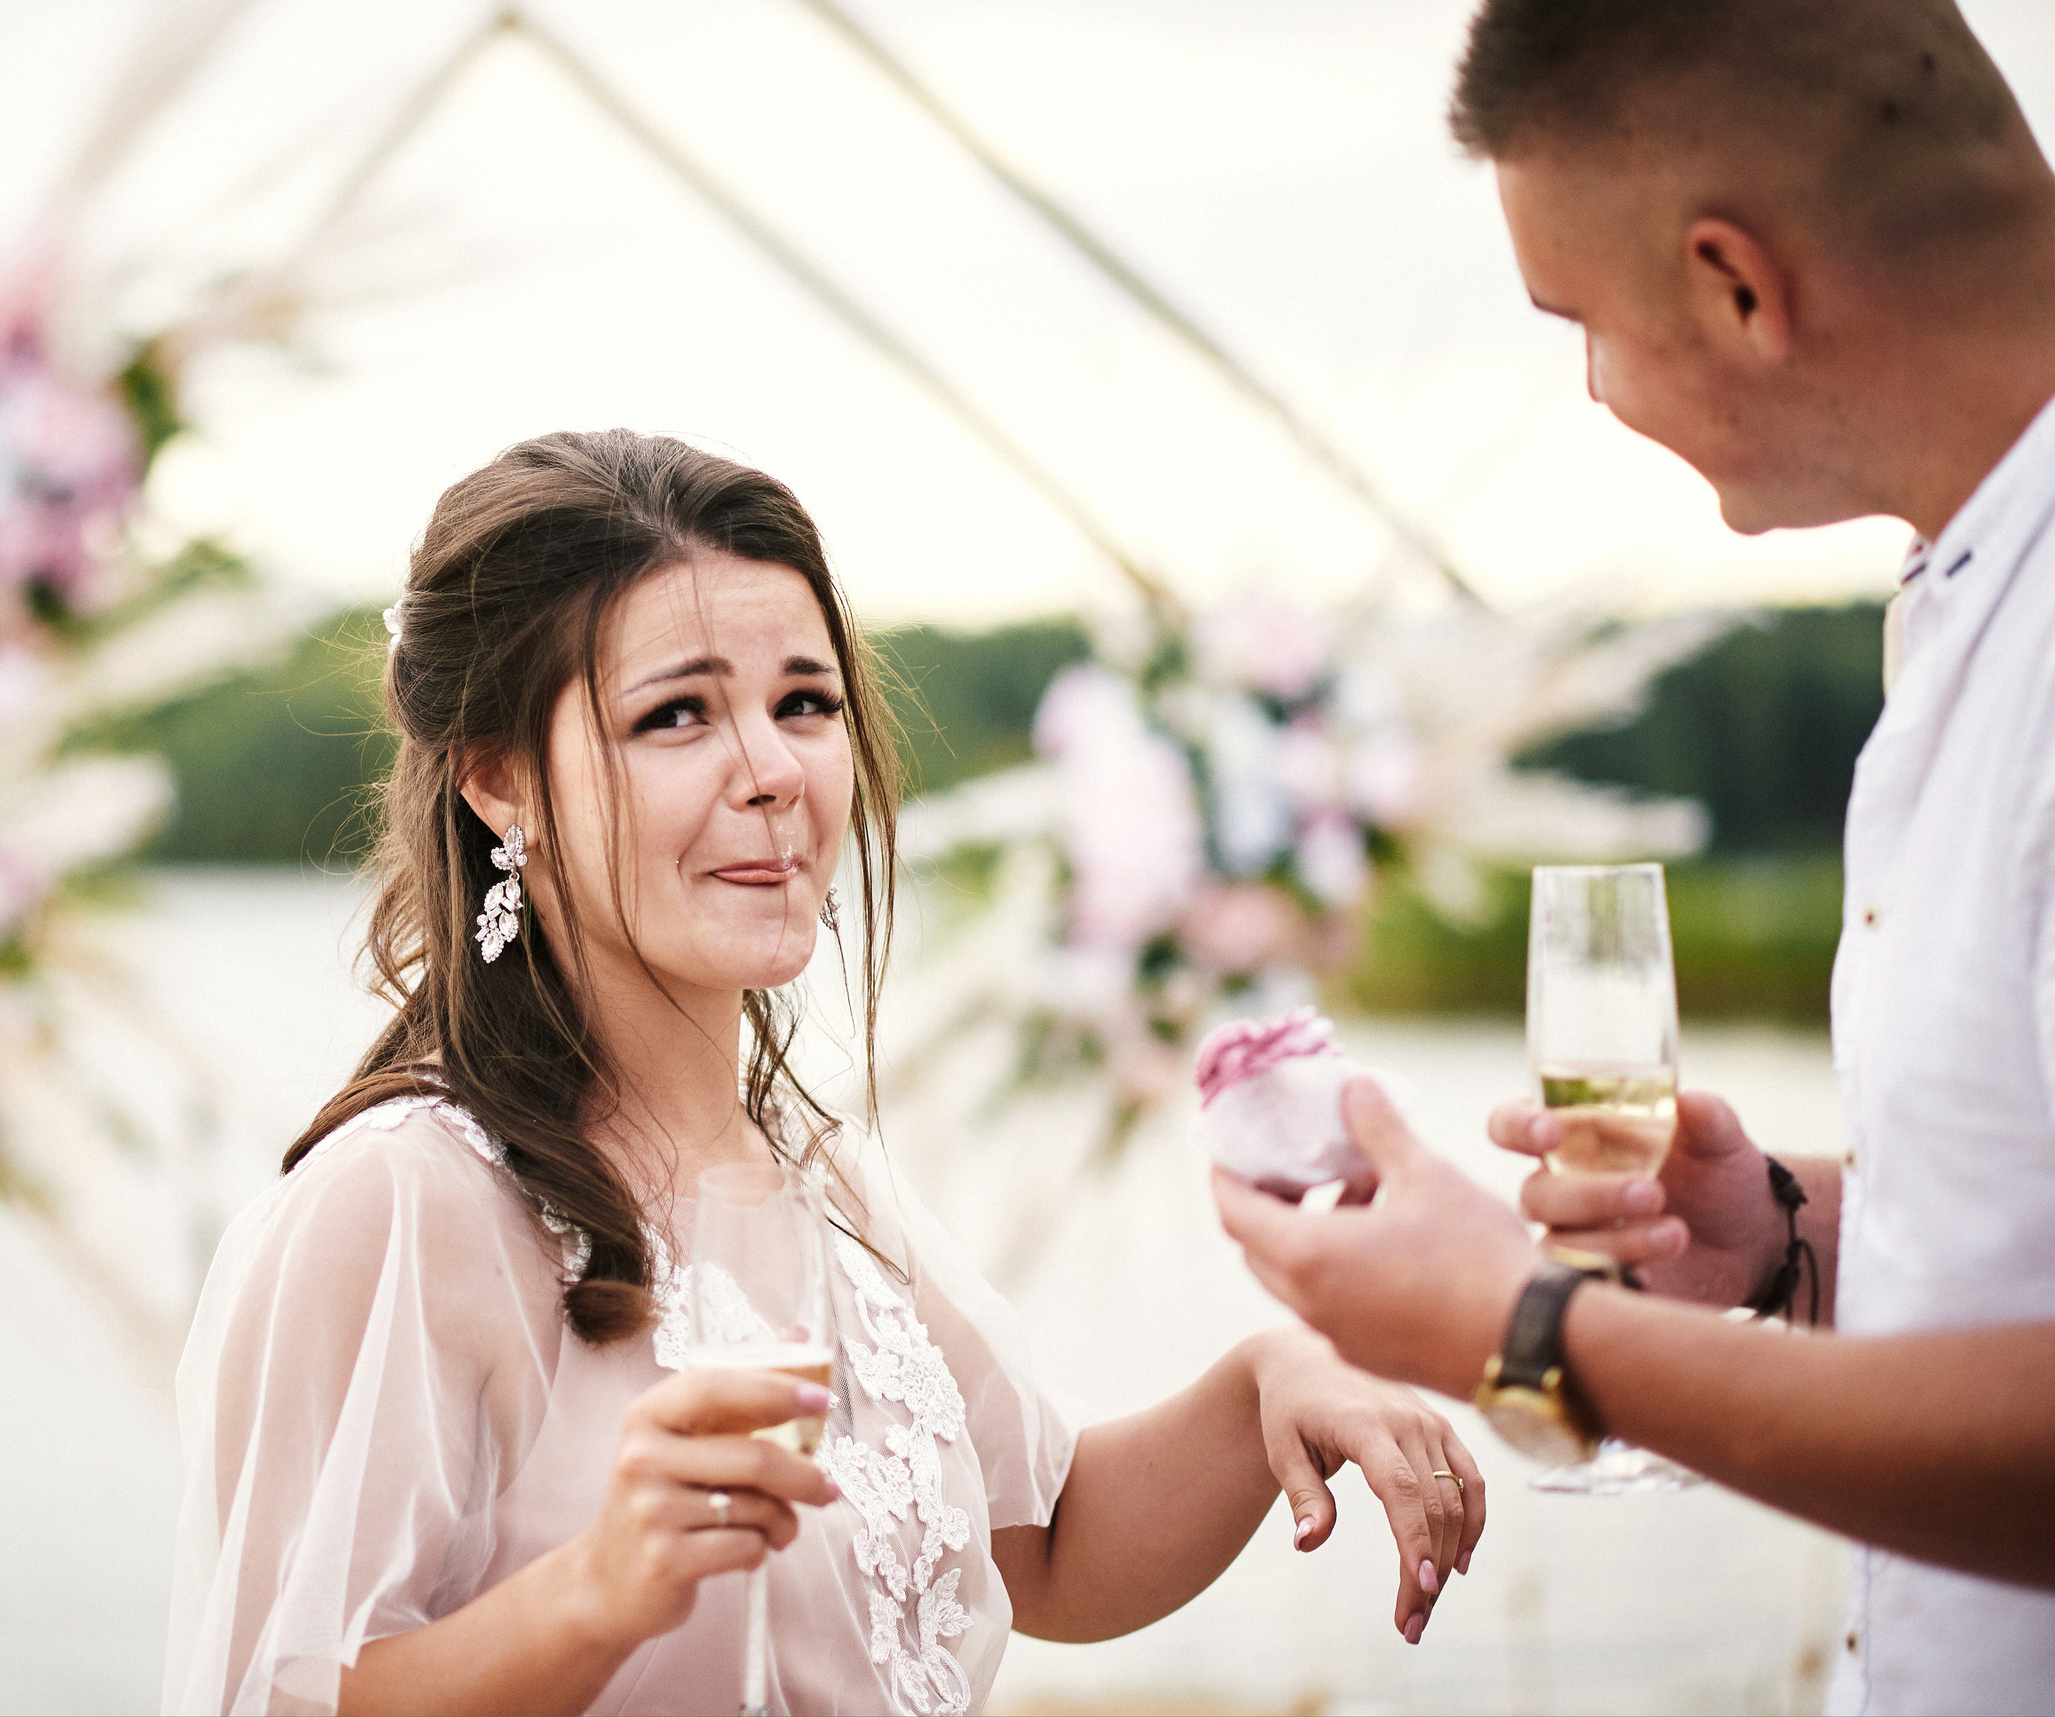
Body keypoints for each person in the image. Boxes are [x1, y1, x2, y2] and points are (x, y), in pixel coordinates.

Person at [161, 430, 1486, 1716]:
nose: (774, 772)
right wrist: (597, 1593)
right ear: (501, 780)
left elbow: (1055, 1541)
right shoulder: (396, 1206)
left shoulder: (819, 1182)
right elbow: (286, 1697)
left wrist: (1267, 1380)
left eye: (805, 703)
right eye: (676, 714)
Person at [1214, 2, 2055, 1713]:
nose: (1593, 388)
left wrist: (1532, 1334)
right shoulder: (1976, 595)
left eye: (1580, 322)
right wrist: (1790, 1235)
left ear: (1740, 285)